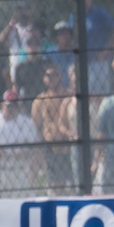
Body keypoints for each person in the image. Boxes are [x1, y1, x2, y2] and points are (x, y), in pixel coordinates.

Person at [0, 89, 43, 198]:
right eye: (9, 105)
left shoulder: (27, 122)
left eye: (14, 105)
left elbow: (36, 148)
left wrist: (24, 153)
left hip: (20, 170)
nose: (11, 109)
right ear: (2, 104)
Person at [32, 64, 76, 193]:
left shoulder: (71, 95)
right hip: (52, 149)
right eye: (48, 75)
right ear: (43, 79)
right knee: (56, 188)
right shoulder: (39, 101)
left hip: (71, 147)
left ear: (61, 77)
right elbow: (36, 128)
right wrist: (40, 152)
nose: (52, 78)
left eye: (55, 74)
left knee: (75, 185)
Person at [0, 1, 36, 82]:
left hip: (33, 70)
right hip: (16, 71)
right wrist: (12, 22)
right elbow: (0, 40)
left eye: (23, 10)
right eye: (18, 10)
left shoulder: (34, 29)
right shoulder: (13, 29)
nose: (21, 13)